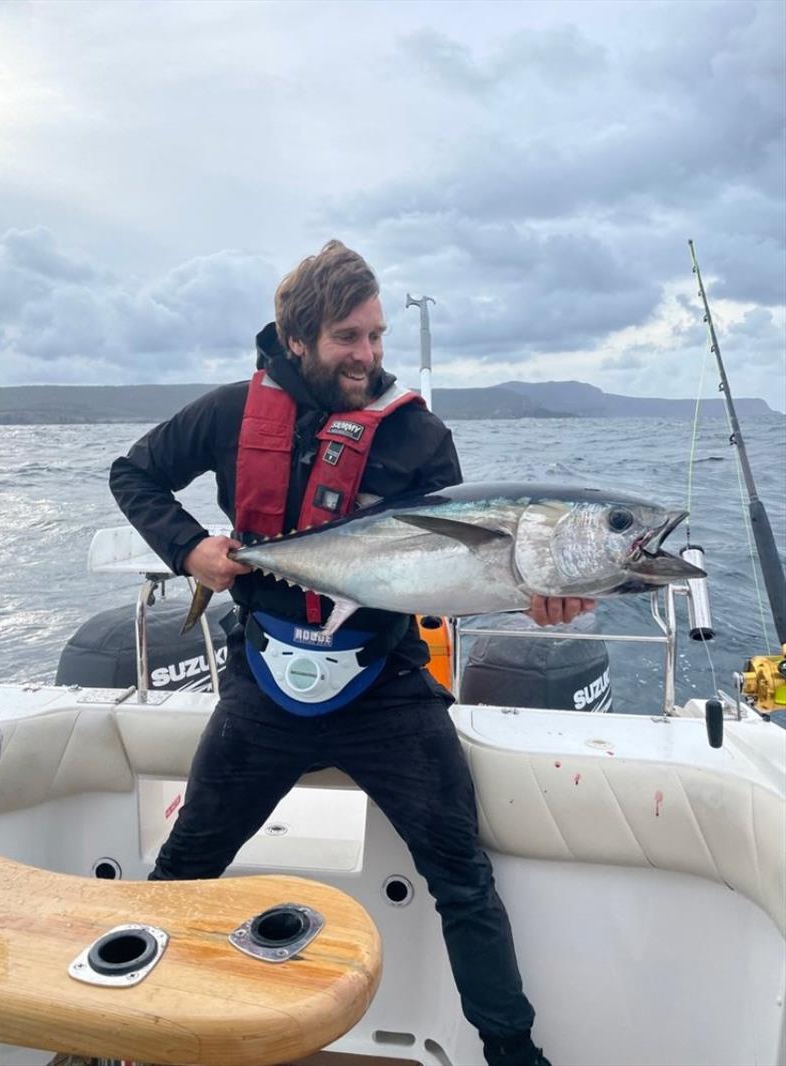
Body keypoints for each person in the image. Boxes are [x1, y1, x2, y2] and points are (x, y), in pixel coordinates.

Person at [110, 240, 594, 1066]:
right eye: (348, 338)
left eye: (374, 336)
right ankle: (133, 1034)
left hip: (386, 688)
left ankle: (512, 1053)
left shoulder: (417, 436)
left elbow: (453, 570)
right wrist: (189, 549)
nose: (368, 356)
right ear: (296, 339)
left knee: (463, 879)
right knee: (187, 862)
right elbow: (133, 475)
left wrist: (532, 591)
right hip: (264, 684)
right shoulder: (229, 415)